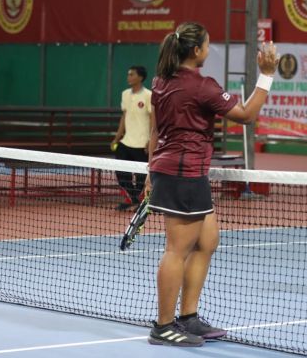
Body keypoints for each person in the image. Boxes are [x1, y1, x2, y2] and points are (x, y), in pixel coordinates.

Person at [145, 22, 278, 347]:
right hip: (183, 173)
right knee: (177, 250)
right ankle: (163, 326)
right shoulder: (202, 86)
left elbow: (155, 129)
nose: (209, 47)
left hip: (181, 171)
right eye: (207, 43)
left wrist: (151, 169)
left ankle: (188, 317)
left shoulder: (162, 81)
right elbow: (246, 114)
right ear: (196, 51)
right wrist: (267, 74)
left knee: (207, 241)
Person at [111, 66, 152, 211]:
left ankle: (139, 202)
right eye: (128, 74)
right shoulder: (125, 94)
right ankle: (132, 199)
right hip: (126, 142)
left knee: (141, 176)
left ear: (140, 77)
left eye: (131, 74)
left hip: (142, 143)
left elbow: (153, 119)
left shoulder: (148, 95)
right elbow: (124, 117)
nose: (128, 77)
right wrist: (117, 138)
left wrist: (150, 140)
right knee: (121, 172)